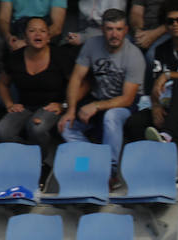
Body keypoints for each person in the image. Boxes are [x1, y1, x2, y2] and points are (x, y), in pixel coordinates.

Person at [59, 9, 146, 180]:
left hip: (127, 105)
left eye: (119, 29)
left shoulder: (134, 55)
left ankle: (109, 173)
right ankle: (92, 163)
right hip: (99, 99)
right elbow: (76, 78)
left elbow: (127, 98)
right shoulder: (92, 44)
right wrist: (70, 110)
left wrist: (96, 106)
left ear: (126, 30)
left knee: (111, 116)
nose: (114, 34)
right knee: (66, 126)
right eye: (110, 29)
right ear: (102, 30)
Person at [123, 0, 178, 145]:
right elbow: (156, 87)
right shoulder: (161, 50)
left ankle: (166, 135)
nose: (175, 24)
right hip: (169, 107)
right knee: (134, 122)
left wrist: (169, 75)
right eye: (170, 22)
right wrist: (156, 105)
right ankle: (149, 158)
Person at [0, 16, 77, 150]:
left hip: (51, 107)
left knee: (36, 127)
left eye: (43, 31)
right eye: (32, 30)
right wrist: (9, 104)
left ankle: (41, 163)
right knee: (2, 131)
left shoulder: (61, 55)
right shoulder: (14, 58)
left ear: (48, 37)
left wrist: (64, 105)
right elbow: (3, 84)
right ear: (25, 37)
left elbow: (80, 84)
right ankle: (29, 157)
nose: (38, 34)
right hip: (25, 106)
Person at [0, 0, 67, 72]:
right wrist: (8, 37)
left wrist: (28, 42)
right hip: (17, 30)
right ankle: (9, 79)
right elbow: (3, 19)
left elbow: (57, 27)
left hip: (43, 32)